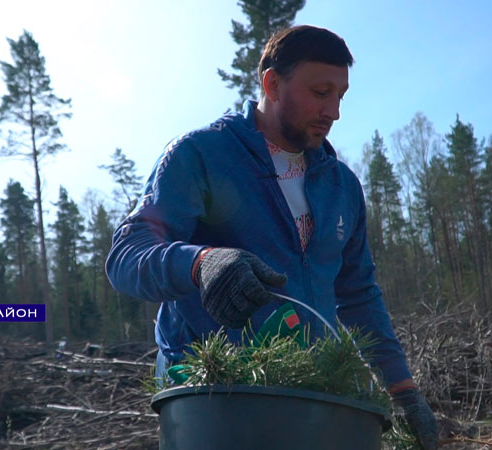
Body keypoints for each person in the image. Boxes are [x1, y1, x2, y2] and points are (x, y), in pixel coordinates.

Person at [106, 25, 438, 449]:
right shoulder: (202, 156)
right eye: (321, 92)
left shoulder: (341, 187)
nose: (334, 111)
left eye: (341, 96)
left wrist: (402, 389)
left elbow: (358, 295)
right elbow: (126, 256)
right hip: (211, 402)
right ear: (272, 83)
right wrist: (200, 262)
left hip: (311, 398)